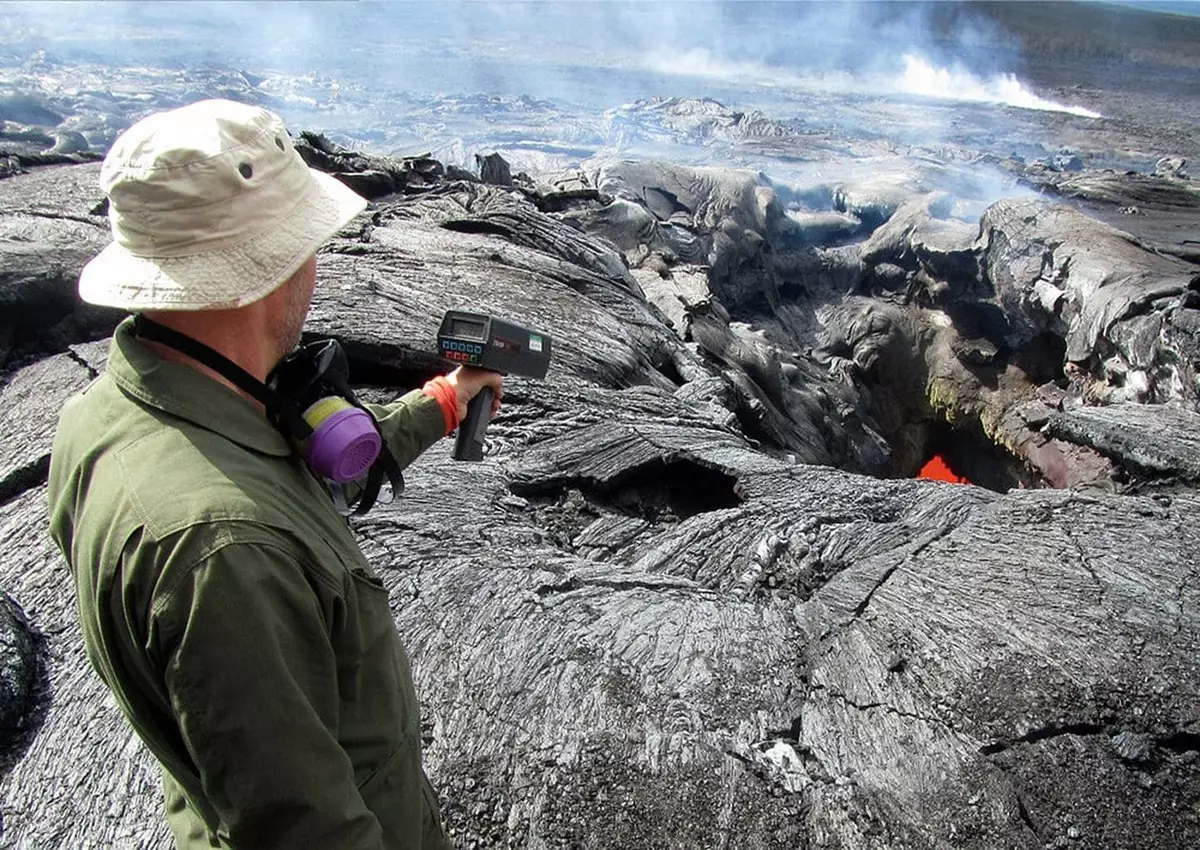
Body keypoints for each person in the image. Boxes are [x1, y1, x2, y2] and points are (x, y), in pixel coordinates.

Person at [46, 98, 499, 849]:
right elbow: (308, 832)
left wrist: (441, 403)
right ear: (266, 266)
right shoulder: (224, 554)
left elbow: (286, 477)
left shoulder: (112, 412)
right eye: (306, 242)